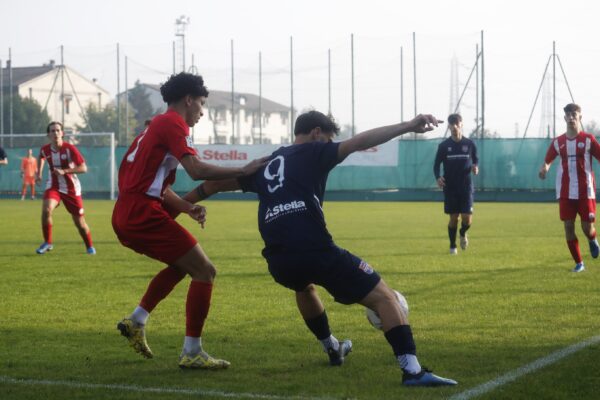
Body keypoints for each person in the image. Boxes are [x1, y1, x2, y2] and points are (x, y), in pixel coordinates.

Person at [183, 111, 457, 386]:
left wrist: (182, 205)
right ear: (316, 133)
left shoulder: (268, 161)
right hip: (314, 249)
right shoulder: (315, 151)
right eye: (327, 139)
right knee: (385, 297)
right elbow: (360, 141)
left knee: (303, 286)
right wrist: (407, 125)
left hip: (279, 260)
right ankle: (412, 371)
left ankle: (332, 347)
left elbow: (214, 184)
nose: (328, 144)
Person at [112, 72, 266, 370]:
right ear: (189, 99)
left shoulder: (154, 126)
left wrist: (184, 206)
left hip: (127, 212)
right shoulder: (173, 123)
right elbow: (195, 169)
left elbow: (154, 182)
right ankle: (191, 351)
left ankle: (136, 320)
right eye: (202, 103)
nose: (202, 111)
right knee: (205, 271)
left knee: (184, 265)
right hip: (142, 212)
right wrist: (244, 170)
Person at [539, 103, 600, 272]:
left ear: (580, 117)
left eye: (575, 114)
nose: (571, 117)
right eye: (568, 115)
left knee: (587, 228)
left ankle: (592, 239)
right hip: (565, 191)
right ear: (564, 118)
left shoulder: (588, 139)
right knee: (568, 226)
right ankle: (579, 263)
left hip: (586, 191)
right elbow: (548, 160)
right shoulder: (558, 142)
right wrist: (544, 168)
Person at [35, 122, 96, 255]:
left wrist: (65, 171)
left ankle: (89, 246)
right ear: (48, 134)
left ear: (62, 133)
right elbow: (41, 156)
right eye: (52, 131)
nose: (55, 133)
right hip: (54, 186)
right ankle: (48, 242)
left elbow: (83, 168)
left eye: (58, 130)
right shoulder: (45, 149)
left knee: (79, 223)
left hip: (71, 189)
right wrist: (38, 173)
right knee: (46, 210)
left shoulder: (70, 149)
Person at [433, 114, 479, 254]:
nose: (454, 127)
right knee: (454, 218)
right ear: (449, 126)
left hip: (466, 187)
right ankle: (453, 246)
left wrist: (475, 167)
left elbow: (476, 160)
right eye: (452, 124)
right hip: (451, 188)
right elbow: (436, 165)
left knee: (467, 219)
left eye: (457, 124)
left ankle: (463, 232)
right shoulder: (444, 146)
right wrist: (438, 177)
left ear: (461, 124)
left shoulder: (469, 144)